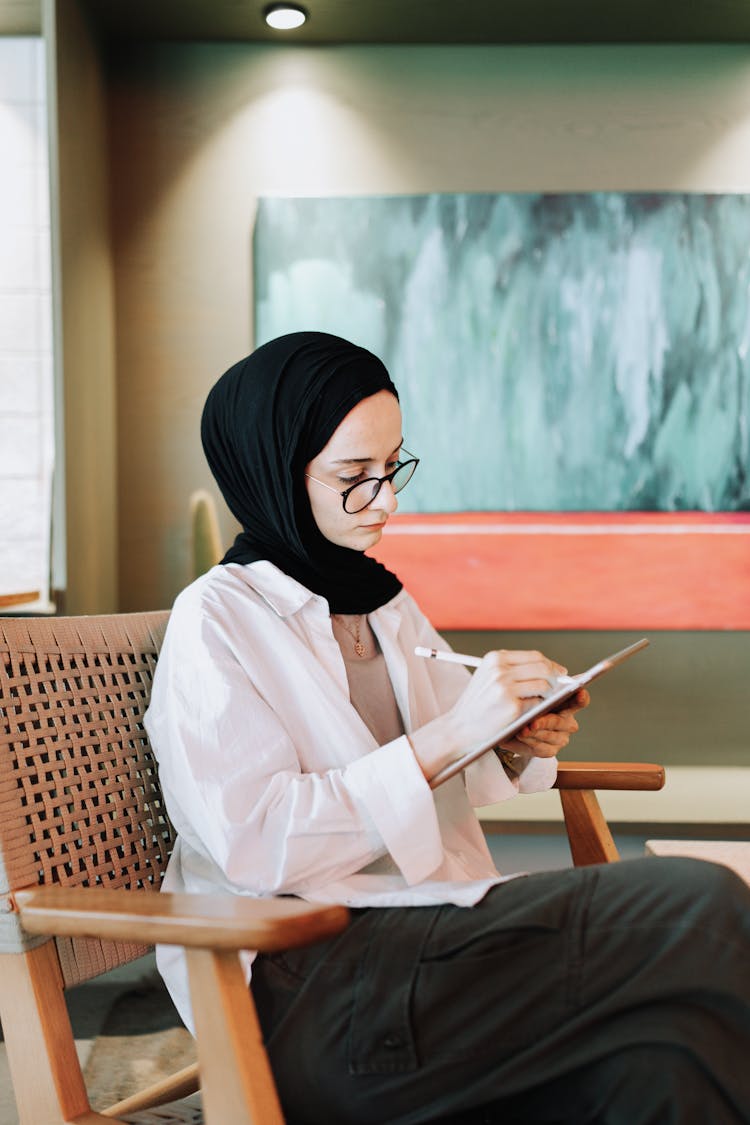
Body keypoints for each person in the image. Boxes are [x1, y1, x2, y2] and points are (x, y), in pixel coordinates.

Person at [145, 331, 750, 1125]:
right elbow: (257, 845)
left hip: (429, 935)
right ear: (272, 473)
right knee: (699, 904)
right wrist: (448, 734)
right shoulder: (216, 620)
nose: (386, 500)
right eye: (354, 478)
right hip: (308, 990)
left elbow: (443, 766)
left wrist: (509, 737)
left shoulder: (382, 601)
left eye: (392, 467)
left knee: (671, 1058)